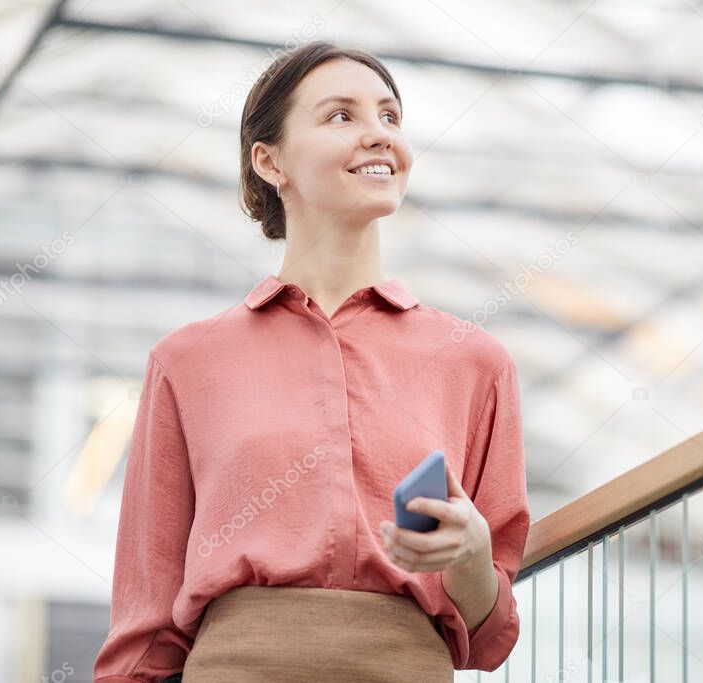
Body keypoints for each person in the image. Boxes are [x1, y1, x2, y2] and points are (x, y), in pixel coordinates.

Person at [92, 40, 530, 682]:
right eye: (341, 116)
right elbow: (144, 627)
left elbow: (491, 640)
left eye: (390, 117)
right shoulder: (186, 362)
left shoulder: (474, 363)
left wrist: (469, 558)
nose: (379, 136)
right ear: (270, 162)